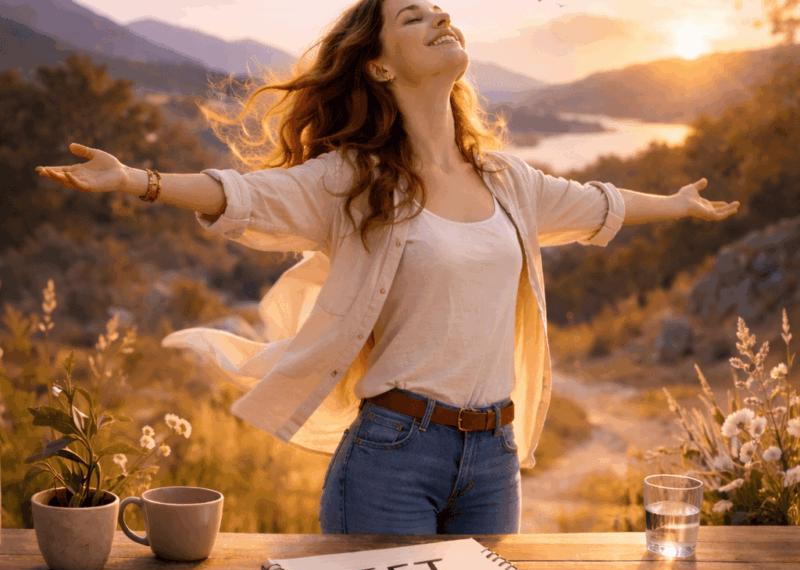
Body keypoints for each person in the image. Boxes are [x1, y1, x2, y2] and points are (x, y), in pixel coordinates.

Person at [35, 0, 739, 535]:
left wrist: (677, 204)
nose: (439, 15)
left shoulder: (509, 181)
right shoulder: (352, 179)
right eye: (414, 16)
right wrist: (137, 179)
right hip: (394, 455)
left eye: (440, 10)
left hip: (495, 458)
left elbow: (598, 204)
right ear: (379, 64)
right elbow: (242, 195)